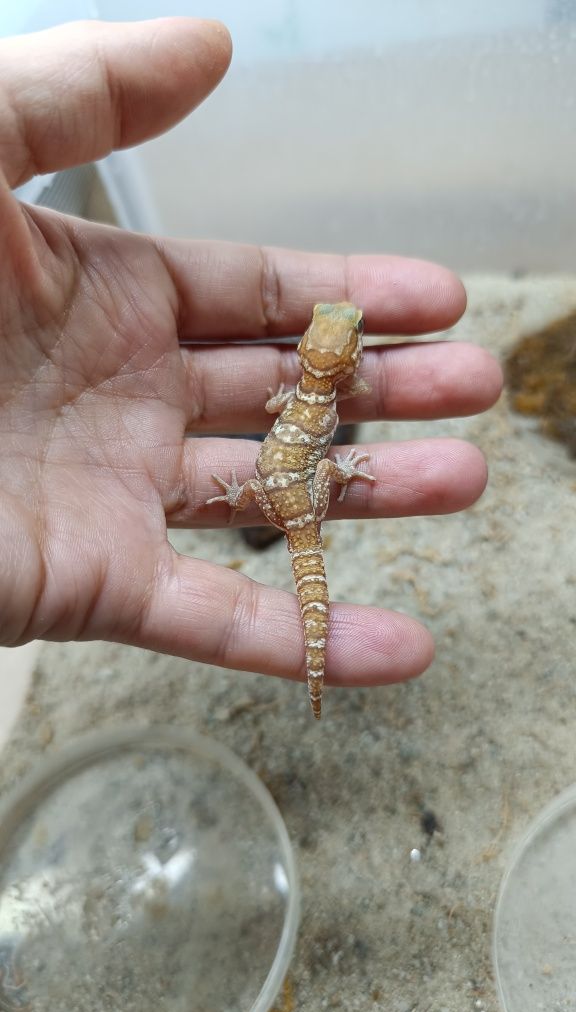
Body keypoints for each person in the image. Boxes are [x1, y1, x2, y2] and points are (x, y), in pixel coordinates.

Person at [0, 18, 502, 691]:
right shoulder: (330, 399)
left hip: (273, 485)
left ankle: (310, 629)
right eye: (341, 323)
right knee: (313, 505)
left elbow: (274, 407)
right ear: (342, 360)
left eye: (340, 323)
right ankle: (316, 631)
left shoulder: (299, 398)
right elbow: (287, 415)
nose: (341, 318)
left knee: (299, 498)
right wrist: (338, 470)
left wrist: (295, 459)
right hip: (284, 490)